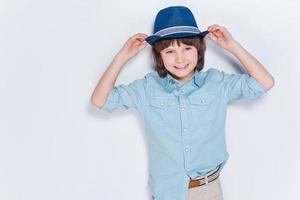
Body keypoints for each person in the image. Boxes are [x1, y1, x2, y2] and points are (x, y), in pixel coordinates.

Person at [91, 5, 275, 200]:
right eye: (170, 51)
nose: (180, 59)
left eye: (187, 49)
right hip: (167, 191)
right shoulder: (147, 88)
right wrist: (123, 57)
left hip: (207, 190)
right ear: (159, 56)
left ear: (199, 50)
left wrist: (232, 46)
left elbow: (265, 82)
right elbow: (99, 100)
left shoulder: (216, 83)